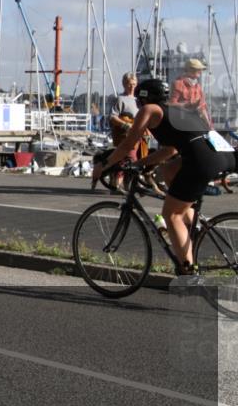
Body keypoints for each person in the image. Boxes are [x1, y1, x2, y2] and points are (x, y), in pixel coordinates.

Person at [94, 78, 237, 282]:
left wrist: (104, 165)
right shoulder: (177, 109)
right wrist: (141, 163)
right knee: (168, 170)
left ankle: (189, 275)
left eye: (137, 101)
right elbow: (170, 150)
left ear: (143, 99)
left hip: (202, 160)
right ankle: (192, 222)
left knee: (171, 215)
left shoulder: (150, 110)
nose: (137, 105)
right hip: (224, 154)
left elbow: (127, 145)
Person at [108, 73, 140, 193]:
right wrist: (125, 125)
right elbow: (112, 117)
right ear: (124, 84)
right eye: (129, 84)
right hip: (124, 134)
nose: (132, 87)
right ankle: (118, 184)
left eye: (134, 84)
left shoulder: (138, 100)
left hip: (137, 134)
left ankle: (122, 184)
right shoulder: (121, 99)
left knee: (130, 160)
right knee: (129, 159)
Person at [170, 58, 212, 128]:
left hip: (197, 121)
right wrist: (188, 105)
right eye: (198, 69)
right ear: (191, 70)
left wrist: (209, 125)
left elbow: (202, 108)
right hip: (183, 122)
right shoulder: (178, 84)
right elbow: (172, 104)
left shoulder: (198, 86)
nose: (201, 71)